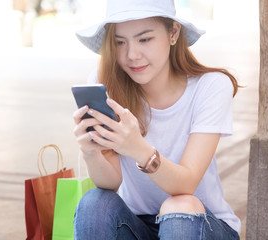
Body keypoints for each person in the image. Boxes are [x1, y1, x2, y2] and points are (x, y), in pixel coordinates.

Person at [72, 0, 241, 239]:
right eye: (120, 42)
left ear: (173, 32)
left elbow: (186, 184)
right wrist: (91, 152)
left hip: (200, 224)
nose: (131, 55)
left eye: (144, 39)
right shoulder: (107, 83)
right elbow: (110, 182)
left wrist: (137, 148)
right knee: (95, 202)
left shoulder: (210, 86)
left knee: (178, 209)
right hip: (138, 225)